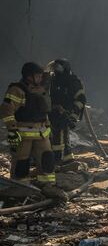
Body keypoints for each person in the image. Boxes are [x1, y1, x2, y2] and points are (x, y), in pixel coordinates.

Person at [1, 62, 66, 200]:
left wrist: (48, 126)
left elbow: (43, 112)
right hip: (23, 133)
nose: (40, 78)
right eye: (37, 76)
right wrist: (12, 130)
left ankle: (47, 184)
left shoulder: (40, 89)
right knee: (22, 161)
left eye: (41, 76)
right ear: (28, 76)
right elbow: (7, 110)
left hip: (42, 132)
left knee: (47, 157)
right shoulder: (17, 90)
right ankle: (20, 186)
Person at [47, 59, 86, 169]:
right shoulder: (53, 79)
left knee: (60, 135)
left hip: (65, 113)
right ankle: (63, 159)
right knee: (56, 135)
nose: (55, 71)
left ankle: (59, 160)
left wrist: (73, 116)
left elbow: (80, 100)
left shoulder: (73, 81)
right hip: (53, 112)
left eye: (57, 68)